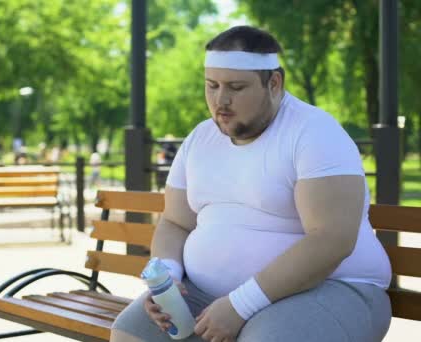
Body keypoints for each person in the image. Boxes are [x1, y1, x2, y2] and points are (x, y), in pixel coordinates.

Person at [111, 26, 392, 342]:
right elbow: (175, 222)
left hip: (331, 290)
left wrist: (240, 305)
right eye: (212, 86)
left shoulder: (315, 133)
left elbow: (332, 240)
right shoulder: (199, 139)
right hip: (212, 297)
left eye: (236, 87)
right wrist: (169, 280)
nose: (221, 100)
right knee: (130, 334)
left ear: (274, 83)